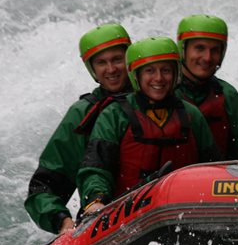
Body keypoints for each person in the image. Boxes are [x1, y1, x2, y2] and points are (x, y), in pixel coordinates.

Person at [77, 37, 218, 214]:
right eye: (149, 71)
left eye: (166, 70)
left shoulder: (192, 115)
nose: (158, 78)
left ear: (175, 74)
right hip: (127, 214)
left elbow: (212, 166)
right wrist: (96, 199)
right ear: (136, 75)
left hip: (182, 210)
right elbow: (97, 167)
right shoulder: (115, 115)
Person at [25, 23, 132, 234]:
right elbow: (44, 187)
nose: (111, 69)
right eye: (102, 63)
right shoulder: (83, 114)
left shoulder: (162, 95)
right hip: (105, 217)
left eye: (117, 59)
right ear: (92, 69)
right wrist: (62, 221)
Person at [174, 14, 238, 160]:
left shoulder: (227, 95)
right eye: (199, 48)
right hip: (168, 181)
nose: (207, 57)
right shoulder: (161, 92)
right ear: (183, 50)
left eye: (215, 50)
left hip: (216, 180)